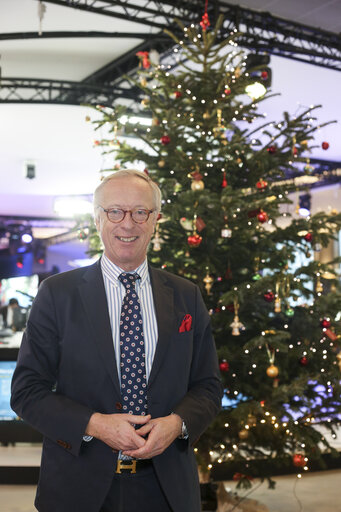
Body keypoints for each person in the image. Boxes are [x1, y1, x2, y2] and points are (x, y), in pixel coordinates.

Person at [11, 169, 222, 512]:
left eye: (141, 212)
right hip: (78, 488)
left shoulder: (186, 296)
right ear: (97, 219)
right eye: (115, 211)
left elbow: (208, 386)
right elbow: (26, 392)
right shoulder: (57, 294)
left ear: (155, 221)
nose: (128, 223)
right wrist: (95, 424)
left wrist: (177, 424)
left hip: (167, 488)